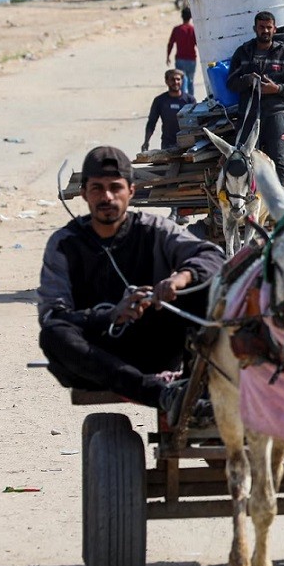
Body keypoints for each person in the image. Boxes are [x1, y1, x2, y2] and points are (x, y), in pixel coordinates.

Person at [37, 146, 224, 411]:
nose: (107, 197)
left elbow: (211, 256)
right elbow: (52, 314)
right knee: (53, 335)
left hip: (155, 347)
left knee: (207, 290)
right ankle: (159, 393)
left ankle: (198, 383)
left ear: (131, 192)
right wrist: (112, 315)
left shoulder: (154, 229)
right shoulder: (64, 244)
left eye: (116, 187)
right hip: (97, 357)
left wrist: (180, 280)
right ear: (84, 194)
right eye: (97, 189)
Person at [226, 11, 284, 185]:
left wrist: (276, 89)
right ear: (255, 29)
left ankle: (279, 206)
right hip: (249, 116)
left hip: (276, 115)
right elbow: (230, 83)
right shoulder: (243, 52)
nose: (265, 31)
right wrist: (247, 81)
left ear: (274, 29)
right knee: (247, 161)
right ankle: (252, 204)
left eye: (269, 27)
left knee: (278, 161)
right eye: (262, 27)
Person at [142, 69, 195, 154]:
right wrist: (146, 142)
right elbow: (151, 123)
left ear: (182, 81)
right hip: (167, 144)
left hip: (187, 143)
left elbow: (195, 122)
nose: (176, 82)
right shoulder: (160, 100)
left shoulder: (190, 100)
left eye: (178, 79)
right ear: (166, 81)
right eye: (172, 79)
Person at [165, 7, 198, 98]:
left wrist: (168, 56)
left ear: (182, 16)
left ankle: (183, 100)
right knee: (190, 81)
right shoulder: (193, 30)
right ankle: (191, 100)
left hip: (180, 59)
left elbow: (170, 43)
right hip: (191, 59)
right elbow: (198, 44)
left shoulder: (177, 29)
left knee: (181, 81)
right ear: (190, 17)